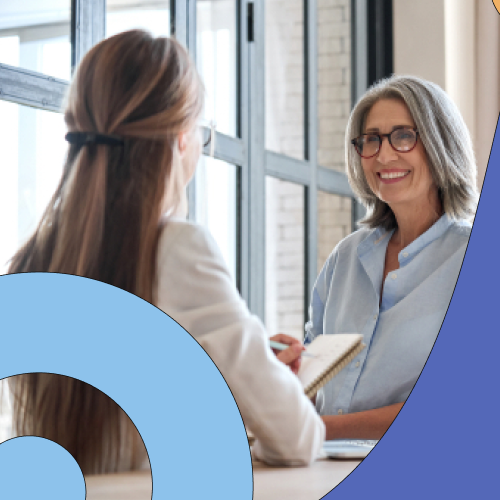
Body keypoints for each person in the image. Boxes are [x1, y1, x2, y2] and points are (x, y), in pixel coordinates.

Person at [7, 30, 324, 471]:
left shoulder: (29, 263)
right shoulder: (179, 250)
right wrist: (255, 377)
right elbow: (297, 438)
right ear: (180, 137)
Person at [305, 75, 478, 440]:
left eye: (403, 135)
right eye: (371, 140)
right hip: (321, 472)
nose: (383, 156)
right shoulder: (345, 258)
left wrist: (317, 430)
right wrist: (288, 370)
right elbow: (312, 379)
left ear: (439, 142)